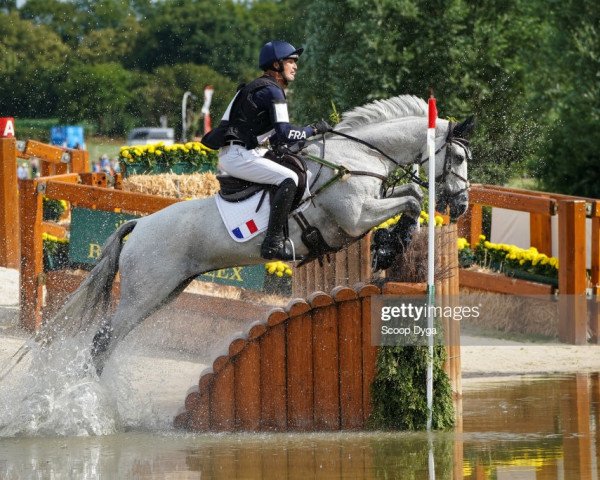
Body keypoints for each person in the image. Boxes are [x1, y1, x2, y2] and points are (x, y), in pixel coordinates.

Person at [202, 40, 332, 260]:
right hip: (238, 155)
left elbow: (272, 135)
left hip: (241, 151)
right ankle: (272, 243)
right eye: (291, 61)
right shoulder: (273, 92)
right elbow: (284, 132)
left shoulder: (260, 87)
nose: (295, 66)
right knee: (289, 178)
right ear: (276, 64)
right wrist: (313, 130)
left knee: (296, 169)